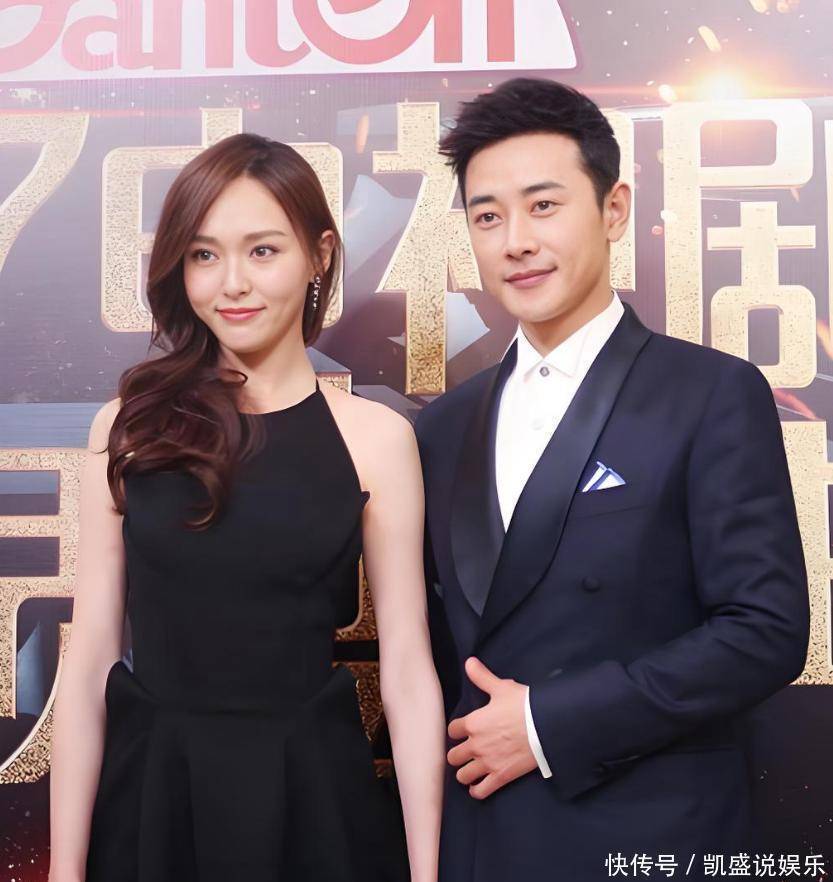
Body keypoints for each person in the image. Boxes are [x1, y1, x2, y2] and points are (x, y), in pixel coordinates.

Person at [415, 77, 810, 881]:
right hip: (483, 839)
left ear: (614, 208)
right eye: (487, 217)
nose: (515, 241)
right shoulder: (442, 426)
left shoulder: (708, 392)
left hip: (648, 830)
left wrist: (548, 723)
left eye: (543, 205)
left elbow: (764, 631)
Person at [48, 133, 445, 882]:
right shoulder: (128, 428)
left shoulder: (376, 439)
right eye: (204, 254)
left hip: (312, 795)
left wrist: (427, 871)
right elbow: (91, 654)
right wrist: (65, 870)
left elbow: (406, 669)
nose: (232, 283)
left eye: (263, 250)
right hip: (154, 793)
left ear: (319, 255)